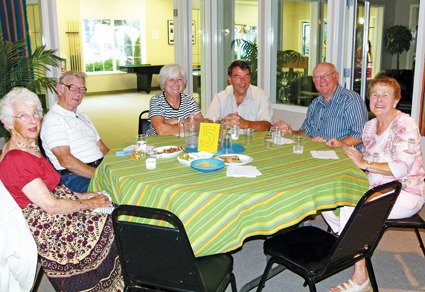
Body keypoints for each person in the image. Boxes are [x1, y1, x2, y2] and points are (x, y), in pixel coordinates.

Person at [0, 87, 124, 291]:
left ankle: (117, 279)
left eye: (35, 113)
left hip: (53, 208)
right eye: (23, 115)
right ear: (8, 122)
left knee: (110, 205)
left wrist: (85, 195)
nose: (33, 120)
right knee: (111, 222)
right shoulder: (16, 158)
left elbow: (51, 189)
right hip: (48, 225)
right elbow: (50, 205)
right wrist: (88, 203)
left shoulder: (29, 145)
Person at [324, 76, 425, 292]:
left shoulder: (405, 124)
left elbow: (400, 168)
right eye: (375, 94)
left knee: (353, 209)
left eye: (385, 94)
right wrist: (342, 146)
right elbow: (364, 161)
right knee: (328, 201)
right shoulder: (370, 126)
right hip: (374, 187)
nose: (379, 99)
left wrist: (364, 163)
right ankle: (351, 247)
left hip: (405, 191)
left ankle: (360, 276)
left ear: (396, 100)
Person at [40, 71, 109, 193]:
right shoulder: (53, 120)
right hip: (75, 176)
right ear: (59, 89)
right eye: (72, 87)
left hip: (99, 168)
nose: (78, 93)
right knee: (120, 192)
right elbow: (66, 160)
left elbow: (102, 147)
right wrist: (100, 175)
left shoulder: (81, 114)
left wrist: (116, 166)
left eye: (82, 89)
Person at [274, 62, 368, 148]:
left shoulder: (351, 100)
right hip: (318, 153)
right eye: (317, 77)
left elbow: (360, 135)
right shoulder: (315, 103)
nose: (322, 81)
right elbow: (307, 132)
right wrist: (291, 132)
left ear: (336, 76)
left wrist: (334, 145)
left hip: (345, 156)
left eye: (326, 75)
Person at [205, 60, 273, 131]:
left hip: (251, 141)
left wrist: (245, 124)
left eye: (246, 77)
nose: (243, 82)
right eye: (238, 77)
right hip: (227, 141)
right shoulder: (220, 98)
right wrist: (223, 123)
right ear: (229, 79)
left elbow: (267, 126)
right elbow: (208, 123)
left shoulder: (261, 96)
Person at [147, 64, 203, 136]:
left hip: (184, 142)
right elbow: (161, 130)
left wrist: (171, 122)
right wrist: (187, 122)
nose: (176, 83)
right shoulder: (157, 100)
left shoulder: (189, 99)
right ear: (163, 82)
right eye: (171, 79)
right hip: (159, 143)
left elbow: (202, 123)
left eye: (179, 79)